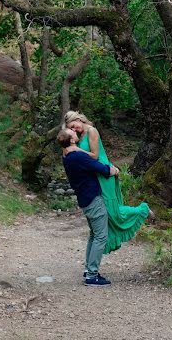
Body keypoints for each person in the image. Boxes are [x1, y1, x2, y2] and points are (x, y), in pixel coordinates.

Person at [63, 110, 151, 256]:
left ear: (79, 119)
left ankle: (142, 210)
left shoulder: (91, 131)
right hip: (95, 175)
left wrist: (75, 149)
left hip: (104, 173)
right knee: (107, 213)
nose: (73, 130)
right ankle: (99, 247)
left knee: (113, 211)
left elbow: (95, 155)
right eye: (71, 129)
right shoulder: (80, 136)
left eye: (73, 126)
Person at [58, 128, 120, 287]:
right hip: (93, 198)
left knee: (94, 234)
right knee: (101, 236)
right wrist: (112, 171)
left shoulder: (66, 156)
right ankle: (92, 275)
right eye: (72, 133)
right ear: (71, 140)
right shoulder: (77, 156)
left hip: (85, 199)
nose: (75, 132)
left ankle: (89, 270)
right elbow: (100, 167)